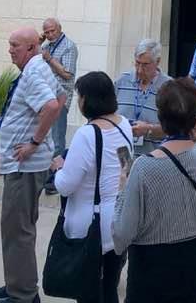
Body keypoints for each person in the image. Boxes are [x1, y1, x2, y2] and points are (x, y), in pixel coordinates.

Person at [113, 78, 196, 303]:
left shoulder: (144, 167)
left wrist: (122, 187)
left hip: (152, 264)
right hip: (194, 257)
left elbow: (121, 236)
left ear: (161, 119)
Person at [0, 27, 65, 303]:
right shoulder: (39, 67)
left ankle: (22, 294)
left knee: (16, 229)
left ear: (32, 48)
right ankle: (17, 285)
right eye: (10, 44)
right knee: (19, 228)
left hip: (25, 166)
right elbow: (62, 96)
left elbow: (53, 106)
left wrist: (34, 141)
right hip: (26, 165)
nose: (10, 49)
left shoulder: (33, 72)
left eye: (15, 45)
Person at [50, 71, 134, 303]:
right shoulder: (124, 125)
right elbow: (125, 167)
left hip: (90, 227)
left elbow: (66, 185)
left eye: (80, 96)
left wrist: (58, 168)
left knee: (88, 293)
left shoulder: (86, 134)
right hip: (117, 221)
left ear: (88, 99)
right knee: (109, 288)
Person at [41, 18, 79, 194]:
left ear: (59, 29)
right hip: (44, 97)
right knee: (44, 138)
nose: (49, 35)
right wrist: (38, 44)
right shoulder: (45, 47)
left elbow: (67, 74)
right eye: (46, 32)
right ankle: (44, 177)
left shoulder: (69, 46)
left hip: (59, 98)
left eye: (52, 31)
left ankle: (56, 179)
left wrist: (49, 59)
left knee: (57, 139)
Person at [114, 39, 171, 154]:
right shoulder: (121, 82)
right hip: (121, 158)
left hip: (152, 160)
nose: (139, 70)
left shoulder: (169, 87)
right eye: (137, 63)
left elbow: (173, 129)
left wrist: (148, 129)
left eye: (145, 65)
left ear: (158, 61)